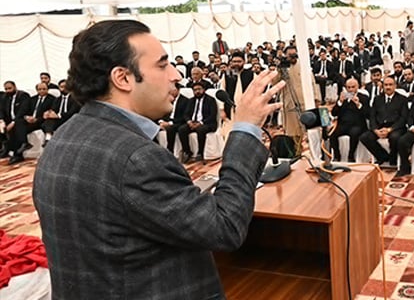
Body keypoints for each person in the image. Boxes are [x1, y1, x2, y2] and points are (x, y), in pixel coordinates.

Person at [33, 20, 285, 299]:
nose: (176, 75)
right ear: (123, 78)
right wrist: (245, 128)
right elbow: (224, 227)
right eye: (163, 65)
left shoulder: (65, 135)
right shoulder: (136, 159)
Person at [359, 76, 408, 167]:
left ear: (395, 86)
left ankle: (393, 159)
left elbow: (403, 118)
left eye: (390, 85)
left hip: (396, 128)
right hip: (379, 127)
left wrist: (390, 129)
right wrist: (375, 130)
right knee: (365, 137)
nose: (388, 87)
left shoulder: (402, 99)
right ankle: (383, 157)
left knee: (395, 138)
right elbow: (372, 116)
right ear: (382, 86)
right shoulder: (377, 99)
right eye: (386, 85)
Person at [330, 78, 369, 162]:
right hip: (343, 125)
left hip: (358, 124)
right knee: (332, 135)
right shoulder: (342, 98)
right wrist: (340, 102)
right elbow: (334, 113)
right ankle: (337, 156)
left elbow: (368, 114)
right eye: (348, 87)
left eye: (353, 87)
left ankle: (351, 156)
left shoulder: (364, 98)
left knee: (354, 133)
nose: (351, 89)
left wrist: (358, 104)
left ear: (358, 86)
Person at [0, 81, 31, 164]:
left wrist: (13, 122)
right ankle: (6, 148)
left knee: (18, 124)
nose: (8, 91)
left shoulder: (23, 96)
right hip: (9, 120)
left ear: (15, 87)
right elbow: (1, 110)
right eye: (6, 89)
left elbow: (23, 110)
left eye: (10, 88)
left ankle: (21, 148)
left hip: (22, 119)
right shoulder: (5, 97)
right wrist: (2, 120)